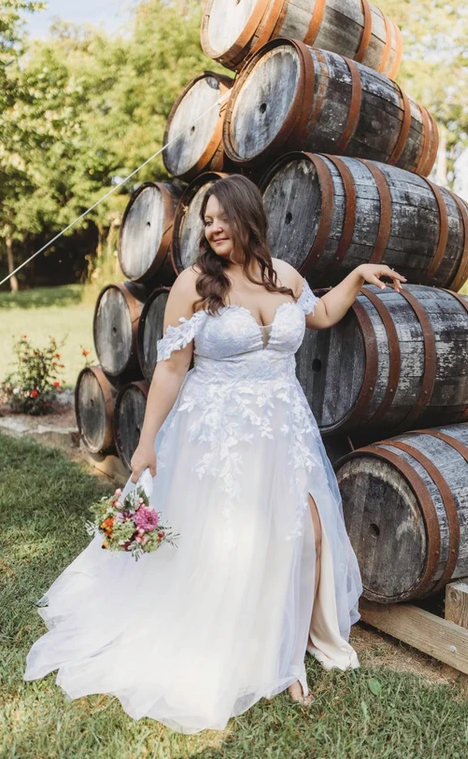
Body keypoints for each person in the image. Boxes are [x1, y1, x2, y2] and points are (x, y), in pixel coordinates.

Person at [24, 174, 406, 733]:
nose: (213, 227)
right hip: (218, 434)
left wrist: (355, 277)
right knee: (231, 541)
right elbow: (172, 369)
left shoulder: (284, 277)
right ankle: (263, 656)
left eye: (222, 218)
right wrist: (147, 441)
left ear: (249, 217)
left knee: (304, 532)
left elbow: (320, 315)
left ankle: (286, 646)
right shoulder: (194, 285)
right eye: (206, 221)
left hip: (284, 429)